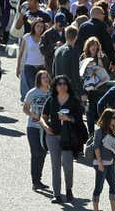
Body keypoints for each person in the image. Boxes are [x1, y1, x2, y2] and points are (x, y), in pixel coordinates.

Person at [40, 75, 87, 204]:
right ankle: (57, 194)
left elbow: (78, 118)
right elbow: (42, 117)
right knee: (55, 165)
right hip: (52, 135)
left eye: (64, 83)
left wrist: (68, 118)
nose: (62, 86)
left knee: (68, 165)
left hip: (68, 137)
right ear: (55, 86)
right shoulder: (51, 100)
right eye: (59, 84)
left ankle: (68, 188)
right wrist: (45, 127)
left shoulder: (73, 100)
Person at [23, 70, 51, 191]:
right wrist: (32, 115)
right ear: (38, 80)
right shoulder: (32, 92)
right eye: (43, 77)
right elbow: (25, 108)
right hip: (33, 127)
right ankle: (35, 181)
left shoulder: (51, 93)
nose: (45, 79)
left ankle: (38, 179)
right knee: (36, 153)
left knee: (43, 154)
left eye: (47, 77)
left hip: (45, 128)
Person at [92, 108, 115, 211]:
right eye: (114, 118)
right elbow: (96, 147)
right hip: (101, 163)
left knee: (113, 186)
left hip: (110, 163)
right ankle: (96, 209)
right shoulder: (99, 130)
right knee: (99, 187)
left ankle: (114, 209)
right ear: (108, 118)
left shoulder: (111, 129)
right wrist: (99, 163)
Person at [17, 19, 47, 103]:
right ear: (34, 26)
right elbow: (21, 53)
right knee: (32, 87)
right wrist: (18, 67)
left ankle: (38, 103)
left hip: (41, 66)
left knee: (41, 86)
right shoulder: (27, 37)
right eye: (38, 26)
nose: (40, 28)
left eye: (42, 26)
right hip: (29, 66)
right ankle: (31, 103)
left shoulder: (45, 37)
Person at [53, 25, 85, 100]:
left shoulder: (58, 50)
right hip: (70, 90)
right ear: (76, 37)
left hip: (59, 89)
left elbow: (53, 71)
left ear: (65, 35)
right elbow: (75, 74)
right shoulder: (73, 52)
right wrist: (81, 92)